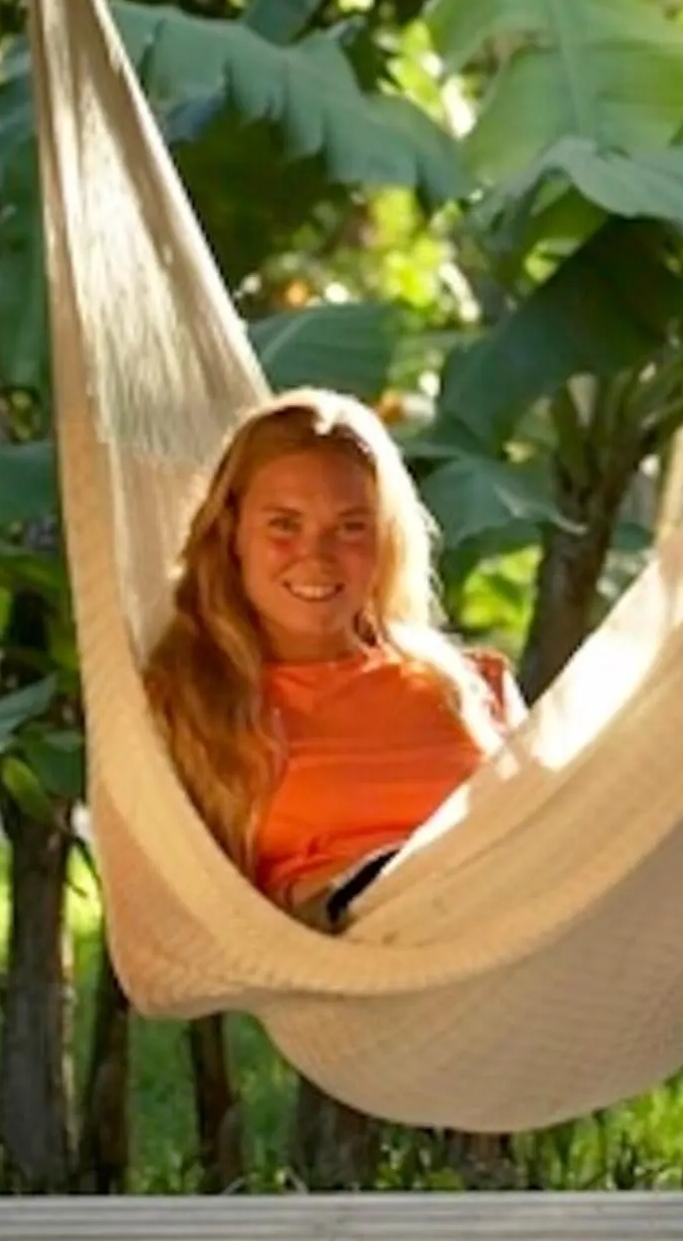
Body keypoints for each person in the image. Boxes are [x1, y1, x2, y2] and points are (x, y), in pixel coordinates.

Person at [143, 388, 522, 928]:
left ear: (385, 539)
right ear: (232, 535)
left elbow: (550, 835)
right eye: (284, 525)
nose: (316, 556)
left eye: (350, 527)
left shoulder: (469, 684)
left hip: (504, 926)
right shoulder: (188, 703)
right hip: (348, 955)